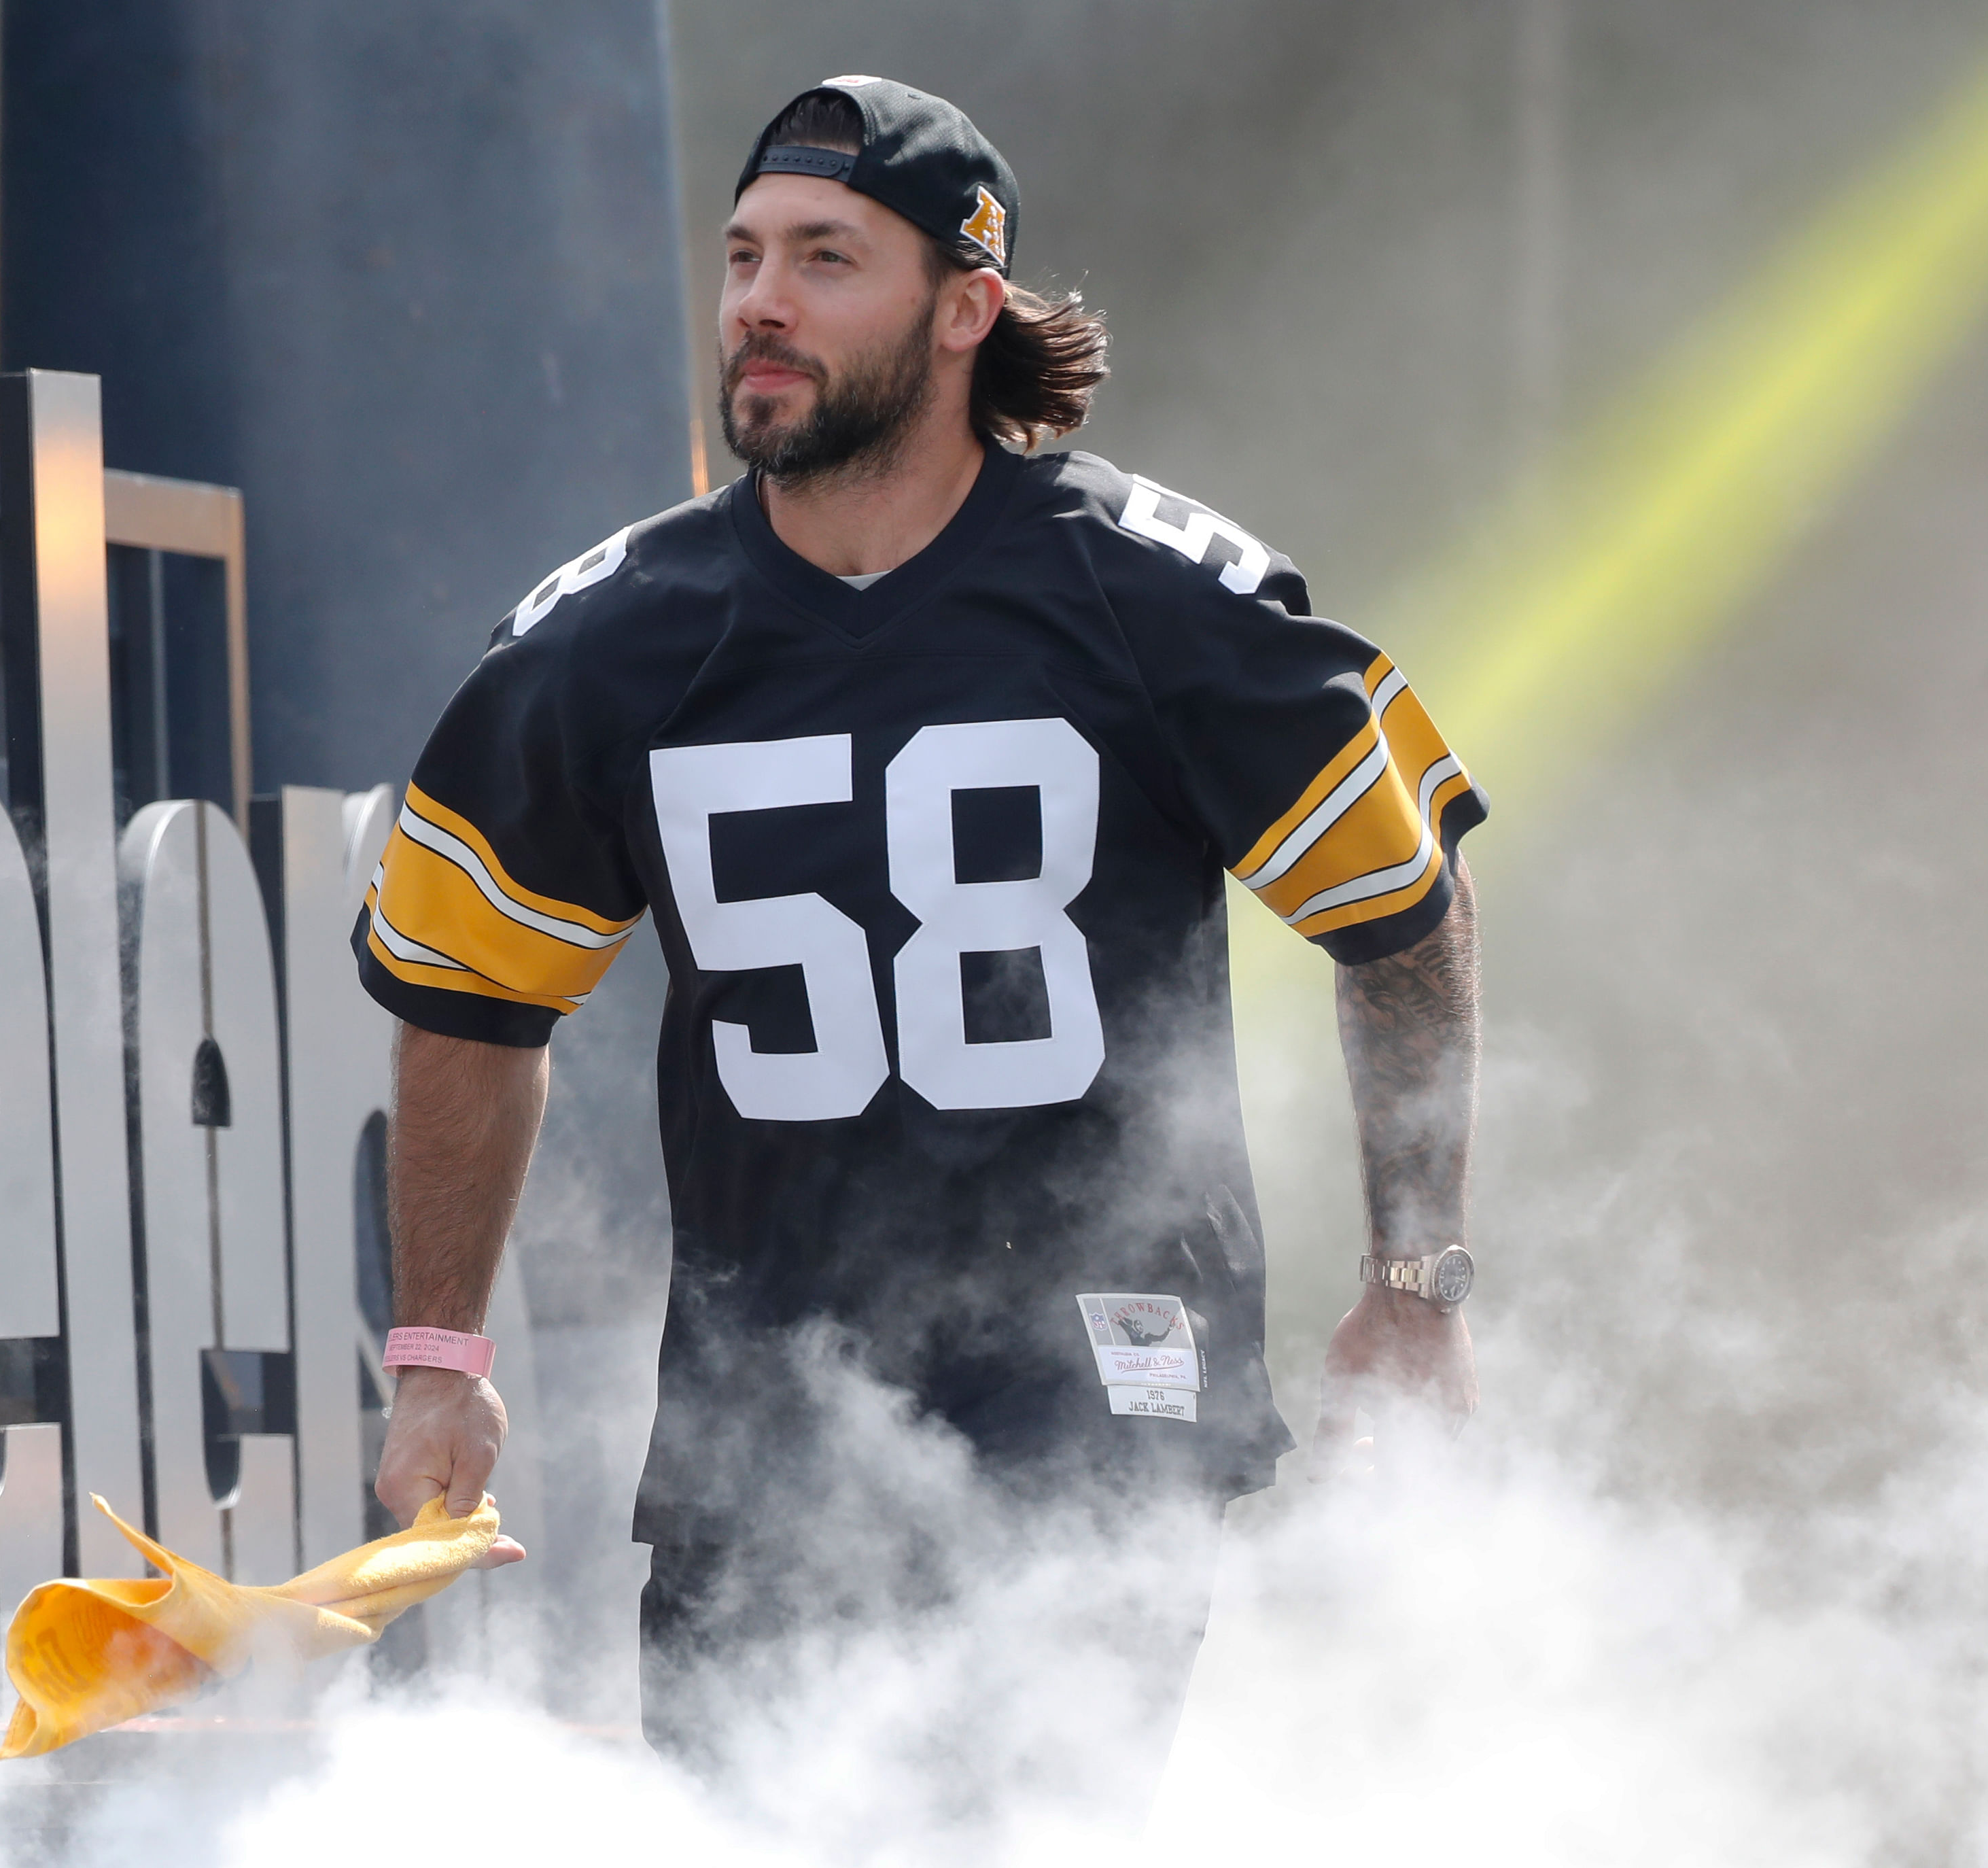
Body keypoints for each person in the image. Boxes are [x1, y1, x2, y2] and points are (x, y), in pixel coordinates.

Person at [353, 76, 1483, 1791]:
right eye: (742, 257)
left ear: (966, 312)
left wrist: (1413, 1283)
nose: (761, 302)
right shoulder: (607, 643)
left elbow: (1400, 912)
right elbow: (468, 1000)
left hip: (1104, 1381)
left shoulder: (1153, 597)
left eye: (826, 257)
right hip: (766, 1400)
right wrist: (439, 1354)